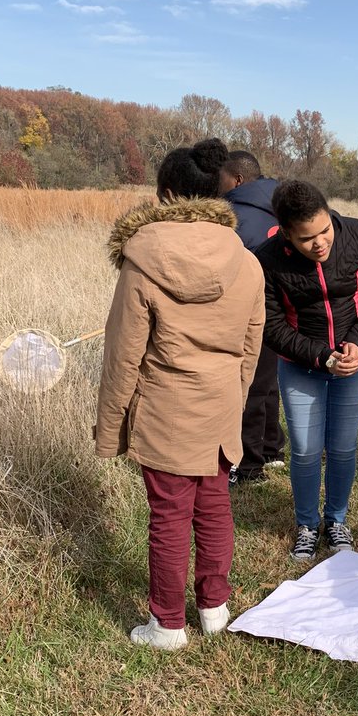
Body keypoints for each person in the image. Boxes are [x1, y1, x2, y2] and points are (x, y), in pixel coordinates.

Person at [94, 142, 265, 651]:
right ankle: (214, 607)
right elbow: (251, 346)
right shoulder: (247, 260)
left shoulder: (142, 261)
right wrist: (233, 398)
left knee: (169, 515)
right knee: (214, 506)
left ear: (166, 195)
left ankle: (167, 623)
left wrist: (109, 431)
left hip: (166, 409)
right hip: (219, 405)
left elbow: (123, 356)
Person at [260, 179, 358, 561]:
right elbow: (271, 326)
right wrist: (321, 357)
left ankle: (336, 520)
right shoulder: (267, 259)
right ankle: (307, 524)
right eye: (307, 239)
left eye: (324, 231)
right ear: (286, 233)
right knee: (304, 450)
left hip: (354, 364)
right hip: (301, 367)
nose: (320, 243)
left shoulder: (357, 234)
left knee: (342, 447)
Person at [216, 150, 286, 485]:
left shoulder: (229, 215)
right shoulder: (286, 202)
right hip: (286, 311)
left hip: (250, 311)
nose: (219, 184)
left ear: (238, 180)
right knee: (268, 382)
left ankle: (248, 464)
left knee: (251, 387)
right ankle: (272, 449)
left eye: (223, 178)